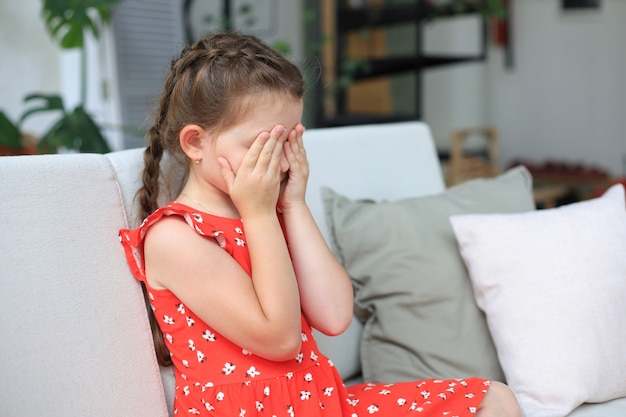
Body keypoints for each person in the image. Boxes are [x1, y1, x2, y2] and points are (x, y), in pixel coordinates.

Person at [119, 32, 521, 417]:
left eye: (289, 143)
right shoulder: (174, 236)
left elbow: (334, 315)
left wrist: (292, 206)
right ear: (195, 144)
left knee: (494, 401)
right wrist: (260, 215)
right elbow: (280, 338)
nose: (279, 162)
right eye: (262, 145)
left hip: (323, 404)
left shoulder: (269, 215)